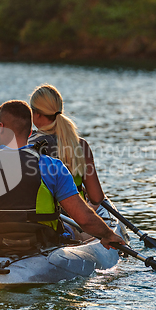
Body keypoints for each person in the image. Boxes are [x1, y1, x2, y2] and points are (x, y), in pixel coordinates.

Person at [0, 100, 124, 250]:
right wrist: (108, 235)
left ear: (0, 127)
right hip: (41, 242)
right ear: (30, 133)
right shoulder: (53, 166)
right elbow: (83, 218)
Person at [29, 84, 114, 214]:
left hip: (42, 218)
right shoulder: (80, 145)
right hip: (74, 216)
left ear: (37, 114)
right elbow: (97, 198)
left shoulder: (27, 145)